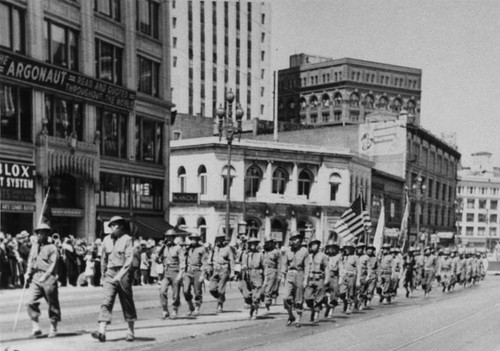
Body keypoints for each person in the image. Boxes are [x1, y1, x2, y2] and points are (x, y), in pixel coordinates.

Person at [91, 216, 136, 342]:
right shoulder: (106, 239)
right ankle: (102, 331)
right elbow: (103, 260)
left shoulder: (127, 239)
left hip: (123, 272)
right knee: (106, 301)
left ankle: (130, 331)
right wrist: (102, 276)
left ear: (121, 226)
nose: (112, 227)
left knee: (126, 301)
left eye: (115, 225)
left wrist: (120, 275)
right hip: (110, 273)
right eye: (110, 225)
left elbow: (129, 260)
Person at [24, 223, 61, 338]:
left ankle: (53, 327)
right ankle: (36, 328)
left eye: (42, 232)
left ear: (47, 234)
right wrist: (28, 273)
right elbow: (31, 261)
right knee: (30, 301)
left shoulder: (52, 247)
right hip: (36, 277)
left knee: (52, 304)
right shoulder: (34, 247)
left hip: (48, 278)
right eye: (38, 232)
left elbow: (54, 264)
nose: (40, 234)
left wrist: (45, 276)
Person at [281, 232, 309, 327]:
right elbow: (284, 264)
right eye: (293, 239)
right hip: (289, 275)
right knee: (285, 297)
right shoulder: (288, 250)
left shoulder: (304, 251)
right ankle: (290, 315)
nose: (294, 240)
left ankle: (298, 318)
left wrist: (305, 280)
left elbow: (307, 266)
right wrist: (282, 277)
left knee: (299, 298)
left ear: (300, 240)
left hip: (300, 274)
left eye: (296, 238)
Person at [157, 229, 184, 319]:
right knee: (162, 291)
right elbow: (158, 260)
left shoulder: (178, 248)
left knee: (175, 294)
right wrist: (162, 247)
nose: (168, 239)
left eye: (170, 237)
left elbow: (182, 262)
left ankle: (175, 310)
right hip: (166, 273)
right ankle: (165, 310)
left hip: (175, 272)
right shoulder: (164, 248)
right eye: (167, 237)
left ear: (173, 238)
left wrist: (181, 273)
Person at [208, 233, 235, 313]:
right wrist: (208, 266)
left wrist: (232, 272)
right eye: (217, 239)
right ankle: (221, 298)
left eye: (220, 239)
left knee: (221, 289)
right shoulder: (214, 248)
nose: (218, 241)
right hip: (215, 270)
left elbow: (232, 260)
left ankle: (220, 304)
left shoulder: (228, 248)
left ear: (223, 240)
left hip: (224, 270)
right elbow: (209, 259)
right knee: (212, 289)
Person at [182, 232, 207, 316]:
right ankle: (190, 306)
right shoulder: (188, 249)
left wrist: (203, 275)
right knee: (185, 290)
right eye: (192, 239)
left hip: (197, 271)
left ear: (197, 240)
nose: (193, 241)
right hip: (188, 271)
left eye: (195, 239)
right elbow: (184, 260)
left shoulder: (202, 249)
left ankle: (197, 307)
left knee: (197, 291)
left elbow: (205, 262)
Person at [304, 239, 328, 323]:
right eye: (313, 245)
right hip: (310, 279)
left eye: (316, 245)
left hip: (320, 278)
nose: (315, 246)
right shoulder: (308, 256)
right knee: (307, 297)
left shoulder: (323, 256)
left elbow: (327, 268)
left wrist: (327, 279)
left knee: (319, 297)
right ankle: (313, 309)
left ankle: (316, 314)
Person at [241, 238, 265, 319]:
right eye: (251, 244)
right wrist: (243, 267)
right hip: (247, 274)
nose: (252, 246)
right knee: (247, 294)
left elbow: (264, 266)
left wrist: (265, 277)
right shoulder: (245, 254)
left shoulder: (260, 254)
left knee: (256, 294)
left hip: (257, 274)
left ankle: (255, 310)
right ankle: (252, 306)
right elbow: (243, 263)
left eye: (254, 244)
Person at [262, 237, 281, 311]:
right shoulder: (264, 251)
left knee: (269, 288)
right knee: (263, 287)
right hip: (264, 270)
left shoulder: (276, 252)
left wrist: (279, 275)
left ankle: (267, 303)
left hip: (272, 271)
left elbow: (279, 263)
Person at [324, 240, 341, 318]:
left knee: (334, 293)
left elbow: (341, 267)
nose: (331, 249)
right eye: (329, 248)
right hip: (324, 276)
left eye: (333, 248)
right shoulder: (324, 256)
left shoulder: (338, 256)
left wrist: (340, 278)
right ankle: (327, 305)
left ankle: (331, 310)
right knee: (323, 293)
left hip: (334, 276)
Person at [339, 243, 358, 313]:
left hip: (351, 275)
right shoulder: (342, 256)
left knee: (351, 292)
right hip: (344, 276)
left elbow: (358, 268)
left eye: (349, 248)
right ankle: (345, 302)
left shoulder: (355, 257)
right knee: (341, 293)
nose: (347, 250)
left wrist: (358, 280)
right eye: (346, 248)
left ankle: (349, 306)